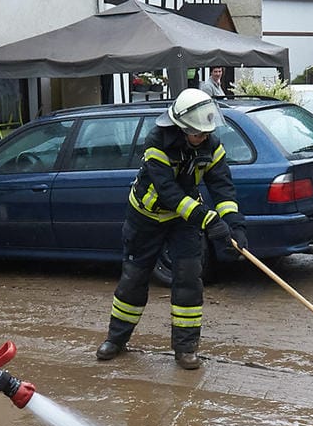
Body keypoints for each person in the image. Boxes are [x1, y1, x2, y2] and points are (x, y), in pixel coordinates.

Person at [95, 89, 246, 371]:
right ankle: (116, 340)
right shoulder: (157, 143)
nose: (202, 138)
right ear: (180, 127)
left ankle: (186, 350)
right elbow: (168, 194)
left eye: (204, 133)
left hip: (185, 219)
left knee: (189, 278)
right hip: (146, 218)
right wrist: (208, 220)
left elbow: (222, 187)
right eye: (196, 134)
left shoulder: (211, 145)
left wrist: (234, 227)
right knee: (134, 278)